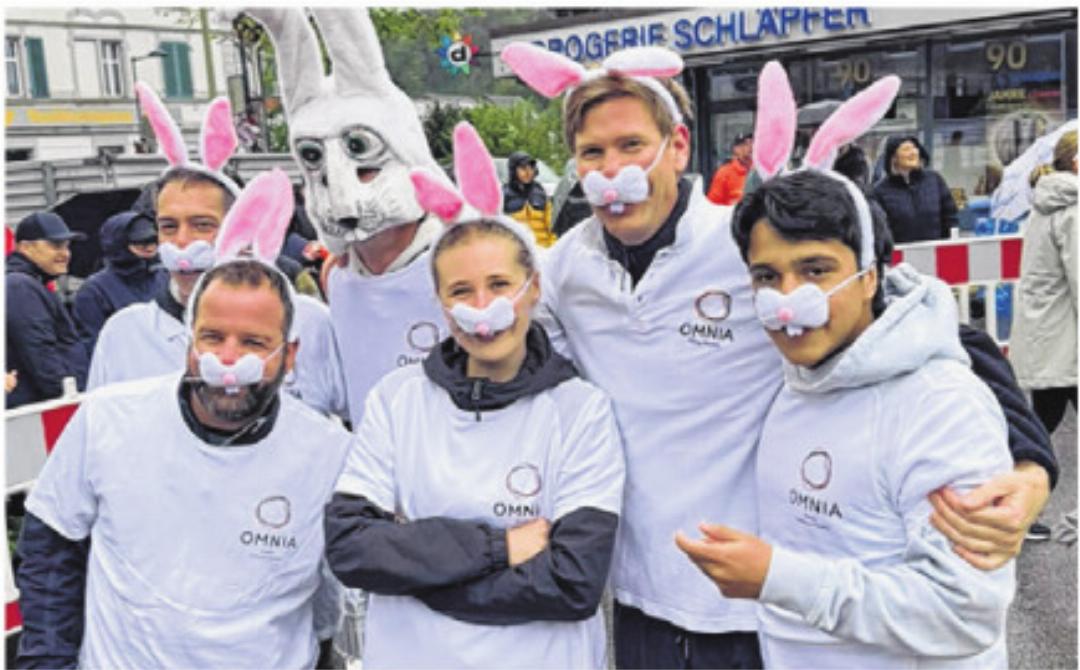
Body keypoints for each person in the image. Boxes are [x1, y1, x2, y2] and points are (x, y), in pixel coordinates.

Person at [500, 43, 1055, 668]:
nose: (611, 171)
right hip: (641, 597)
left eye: (631, 145)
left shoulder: (749, 245)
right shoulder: (565, 270)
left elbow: (927, 327)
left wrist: (1032, 465)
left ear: (677, 146)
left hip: (761, 601)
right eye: (592, 153)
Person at [680, 166, 1013, 669]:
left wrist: (776, 577)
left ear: (869, 276)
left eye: (816, 270)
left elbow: (962, 612)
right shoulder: (792, 376)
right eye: (767, 277)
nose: (788, 301)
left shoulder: (940, 405)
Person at [325, 123, 624, 668]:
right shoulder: (397, 400)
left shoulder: (581, 411)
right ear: (440, 302)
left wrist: (418, 572)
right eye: (461, 291)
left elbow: (573, 581)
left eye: (499, 285)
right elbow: (351, 547)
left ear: (533, 288)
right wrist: (499, 548)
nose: (482, 309)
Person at [14, 257, 352, 668]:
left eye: (253, 343)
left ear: (289, 354)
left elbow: (333, 602)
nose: (228, 361)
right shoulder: (109, 419)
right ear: (190, 341)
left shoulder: (329, 454)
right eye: (213, 337)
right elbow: (52, 548)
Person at [88, 84, 345, 419]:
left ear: (240, 227)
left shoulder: (308, 322)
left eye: (202, 225)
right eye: (169, 226)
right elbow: (99, 431)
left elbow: (357, 418)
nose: (182, 241)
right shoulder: (124, 335)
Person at [1008, 130, 1077, 542]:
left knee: (1039, 424)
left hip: (1052, 335)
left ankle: (1009, 504)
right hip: (1065, 338)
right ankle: (1010, 504)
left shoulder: (1049, 202)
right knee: (1038, 426)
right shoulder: (1072, 208)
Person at [5, 211, 89, 408]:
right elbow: (41, 353)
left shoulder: (30, 283)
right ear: (25, 247)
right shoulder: (20, 286)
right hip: (41, 409)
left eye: (67, 246)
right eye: (55, 245)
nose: (65, 253)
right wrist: (69, 397)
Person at [72, 210, 167, 353]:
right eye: (140, 242)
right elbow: (93, 345)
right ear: (120, 245)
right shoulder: (94, 290)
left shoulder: (165, 277)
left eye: (154, 240)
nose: (150, 247)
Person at [873, 135, 959, 243]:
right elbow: (880, 229)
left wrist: (949, 243)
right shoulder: (880, 191)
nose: (913, 152)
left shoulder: (934, 180)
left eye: (914, 148)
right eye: (906, 149)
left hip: (935, 249)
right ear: (894, 158)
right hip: (900, 251)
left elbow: (950, 216)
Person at [503, 150, 556, 247]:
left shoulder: (540, 191)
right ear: (513, 170)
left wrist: (553, 248)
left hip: (543, 249)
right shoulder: (504, 195)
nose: (528, 172)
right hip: (518, 250)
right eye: (523, 168)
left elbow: (552, 227)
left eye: (531, 168)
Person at [706, 132, 753, 205]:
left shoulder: (760, 172)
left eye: (752, 143)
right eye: (745, 144)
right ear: (736, 149)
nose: (750, 147)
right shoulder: (724, 173)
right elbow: (712, 204)